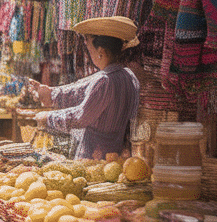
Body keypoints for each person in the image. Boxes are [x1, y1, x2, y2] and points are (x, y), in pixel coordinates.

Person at [30, 16, 141, 160]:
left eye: (88, 45)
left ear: (100, 51)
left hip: (94, 160)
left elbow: (81, 117)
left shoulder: (104, 81)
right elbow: (81, 89)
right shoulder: (128, 76)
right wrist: (51, 94)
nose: (88, 51)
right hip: (118, 158)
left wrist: (48, 117)